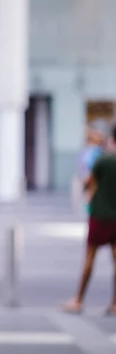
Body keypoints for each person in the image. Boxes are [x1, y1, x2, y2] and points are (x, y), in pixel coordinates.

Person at [63, 124, 116, 315]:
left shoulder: (103, 159)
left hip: (100, 215)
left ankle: (78, 299)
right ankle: (114, 303)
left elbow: (88, 183)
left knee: (89, 259)